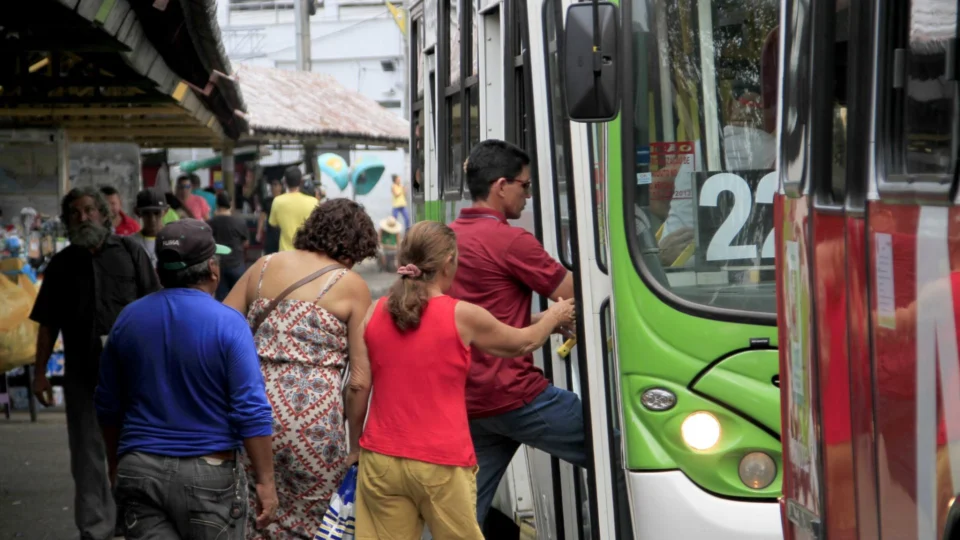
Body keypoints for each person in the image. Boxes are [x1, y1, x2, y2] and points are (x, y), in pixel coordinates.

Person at [354, 221, 575, 540]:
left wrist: (353, 447)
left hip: (381, 458)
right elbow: (521, 342)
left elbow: (358, 385)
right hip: (440, 463)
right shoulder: (461, 314)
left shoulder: (375, 311)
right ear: (448, 263)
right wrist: (555, 316)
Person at [95, 219, 279, 539]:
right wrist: (266, 482)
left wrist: (115, 464)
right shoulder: (229, 324)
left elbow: (108, 404)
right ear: (213, 269)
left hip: (139, 469)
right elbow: (250, 408)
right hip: (209, 476)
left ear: (159, 272)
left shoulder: (128, 319)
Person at [223, 198, 379, 539]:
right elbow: (358, 381)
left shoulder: (263, 266)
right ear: (354, 247)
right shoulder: (351, 284)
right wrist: (355, 445)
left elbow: (219, 331)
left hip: (253, 412)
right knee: (313, 520)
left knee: (255, 514)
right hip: (313, 425)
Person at [448, 139, 581, 527]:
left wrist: (543, 321)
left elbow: (483, 317)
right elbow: (573, 293)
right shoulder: (509, 240)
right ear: (501, 186)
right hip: (515, 396)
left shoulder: (447, 237)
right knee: (622, 451)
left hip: (467, 400)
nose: (528, 195)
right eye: (525, 186)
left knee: (462, 519)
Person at [29, 186, 160, 540]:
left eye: (89, 210)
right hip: (83, 374)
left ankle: (135, 521)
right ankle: (95, 528)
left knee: (136, 449)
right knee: (87, 455)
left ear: (105, 214)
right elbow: (47, 324)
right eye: (75, 212)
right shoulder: (61, 265)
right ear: (67, 220)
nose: (83, 217)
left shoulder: (131, 253)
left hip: (132, 374)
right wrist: (40, 374)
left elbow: (156, 307)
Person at [209, 191, 250, 301]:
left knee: (222, 300)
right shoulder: (239, 221)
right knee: (239, 299)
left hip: (219, 266)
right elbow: (246, 243)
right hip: (237, 265)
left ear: (217, 205)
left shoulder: (211, 222)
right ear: (231, 204)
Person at [267, 166, 318, 252]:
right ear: (301, 181)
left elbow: (273, 223)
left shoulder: (277, 201)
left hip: (285, 253)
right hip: (305, 252)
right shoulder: (313, 202)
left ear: (285, 182)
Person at [130, 188, 168, 268]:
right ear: (137, 212)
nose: (152, 219)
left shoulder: (174, 241)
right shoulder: (130, 243)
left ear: (166, 211)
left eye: (156, 213)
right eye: (146, 213)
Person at [256, 178, 283, 255]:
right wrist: (259, 232)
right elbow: (262, 217)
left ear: (280, 187)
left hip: (282, 233)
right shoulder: (267, 201)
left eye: (275, 185)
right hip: (270, 233)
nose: (273, 187)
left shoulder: (285, 201)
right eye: (272, 185)